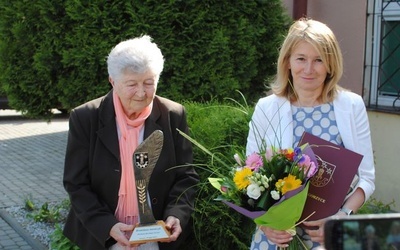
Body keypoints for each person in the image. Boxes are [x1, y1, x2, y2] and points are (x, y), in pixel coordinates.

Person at [246, 18, 375, 249]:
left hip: (330, 236)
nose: (308, 69)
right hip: (276, 238)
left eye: (318, 60)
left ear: (330, 65)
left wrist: (341, 218)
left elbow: (367, 179)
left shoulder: (351, 106)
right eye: (301, 59)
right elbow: (249, 175)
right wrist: (266, 225)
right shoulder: (267, 108)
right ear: (287, 62)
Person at [63, 35, 199, 250]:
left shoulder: (173, 114)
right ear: (112, 81)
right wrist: (107, 225)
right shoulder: (85, 117)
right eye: (131, 84)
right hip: (105, 236)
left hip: (156, 235)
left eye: (149, 83)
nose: (142, 92)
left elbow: (185, 176)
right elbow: (76, 183)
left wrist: (176, 214)